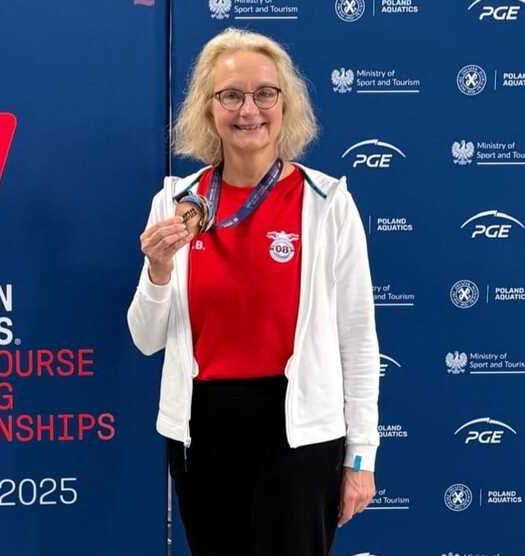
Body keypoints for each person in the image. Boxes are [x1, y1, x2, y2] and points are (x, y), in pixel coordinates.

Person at [126, 28, 379, 556]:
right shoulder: (175, 202)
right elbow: (146, 339)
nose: (249, 110)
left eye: (265, 93)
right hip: (203, 429)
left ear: (286, 104)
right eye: (231, 95)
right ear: (208, 108)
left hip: (299, 432)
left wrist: (361, 457)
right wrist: (158, 268)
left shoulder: (327, 202)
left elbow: (357, 340)